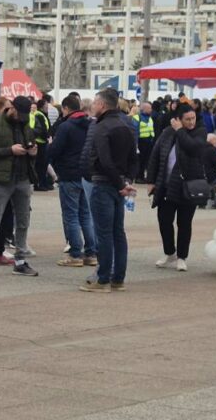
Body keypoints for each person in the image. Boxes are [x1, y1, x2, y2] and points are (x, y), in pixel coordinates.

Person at [79, 89, 137, 293]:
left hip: (103, 184)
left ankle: (102, 279)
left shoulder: (101, 127)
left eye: (95, 103)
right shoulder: (126, 125)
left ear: (102, 105)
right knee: (117, 232)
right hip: (119, 184)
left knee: (104, 233)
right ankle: (118, 278)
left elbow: (104, 160)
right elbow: (133, 158)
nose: (92, 106)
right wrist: (126, 181)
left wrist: (120, 184)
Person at [0, 96, 40, 278]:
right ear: (11, 108)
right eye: (18, 113)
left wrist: (32, 152)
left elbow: (31, 146)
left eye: (24, 114)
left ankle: (20, 260)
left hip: (22, 178)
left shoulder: (25, 124)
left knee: (23, 221)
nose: (20, 117)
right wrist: (9, 150)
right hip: (1, 179)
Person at [146, 104, 208, 272]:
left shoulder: (200, 132)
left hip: (189, 186)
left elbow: (193, 147)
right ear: (178, 119)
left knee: (184, 222)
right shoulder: (167, 133)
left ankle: (182, 256)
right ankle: (169, 252)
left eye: (193, 118)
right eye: (187, 119)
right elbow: (155, 156)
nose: (191, 122)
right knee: (164, 220)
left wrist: (180, 130)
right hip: (167, 185)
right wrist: (150, 181)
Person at [48, 95, 96, 268]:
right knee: (86, 215)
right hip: (86, 175)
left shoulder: (65, 127)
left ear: (66, 109)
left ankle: (76, 253)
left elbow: (55, 150)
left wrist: (49, 146)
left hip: (68, 175)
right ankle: (91, 252)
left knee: (71, 215)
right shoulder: (91, 124)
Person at [30, 95, 54, 191]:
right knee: (41, 165)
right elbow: (43, 129)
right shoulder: (39, 115)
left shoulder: (42, 114)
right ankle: (40, 183)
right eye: (46, 105)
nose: (47, 107)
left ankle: (43, 183)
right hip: (40, 142)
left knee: (43, 165)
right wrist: (47, 136)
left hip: (43, 142)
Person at [133, 101, 155, 182]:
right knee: (140, 161)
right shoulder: (137, 118)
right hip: (141, 142)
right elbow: (135, 131)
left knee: (145, 161)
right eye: (149, 108)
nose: (151, 110)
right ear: (143, 109)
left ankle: (142, 176)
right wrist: (136, 144)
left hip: (148, 142)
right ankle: (138, 177)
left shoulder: (149, 118)